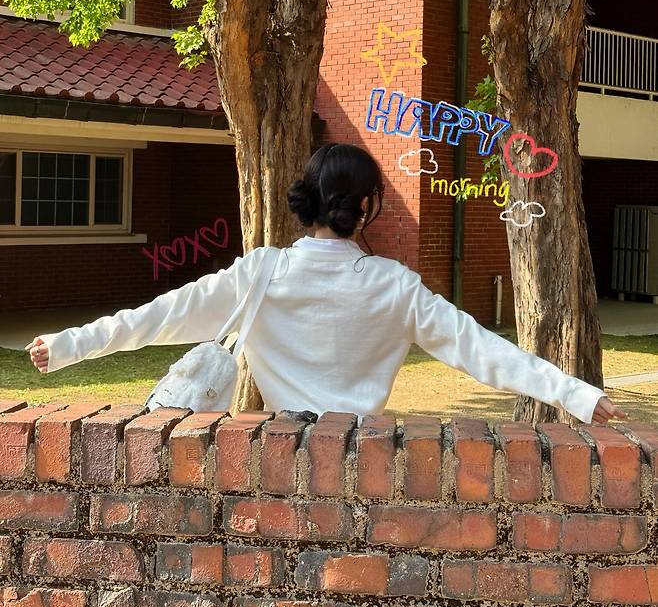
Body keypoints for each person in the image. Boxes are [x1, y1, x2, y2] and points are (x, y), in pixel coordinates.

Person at [27, 142, 624, 425]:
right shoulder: (395, 286)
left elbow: (156, 316)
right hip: (366, 464)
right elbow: (482, 349)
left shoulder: (261, 272)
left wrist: (67, 344)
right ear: (364, 208)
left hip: (278, 461)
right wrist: (576, 394)